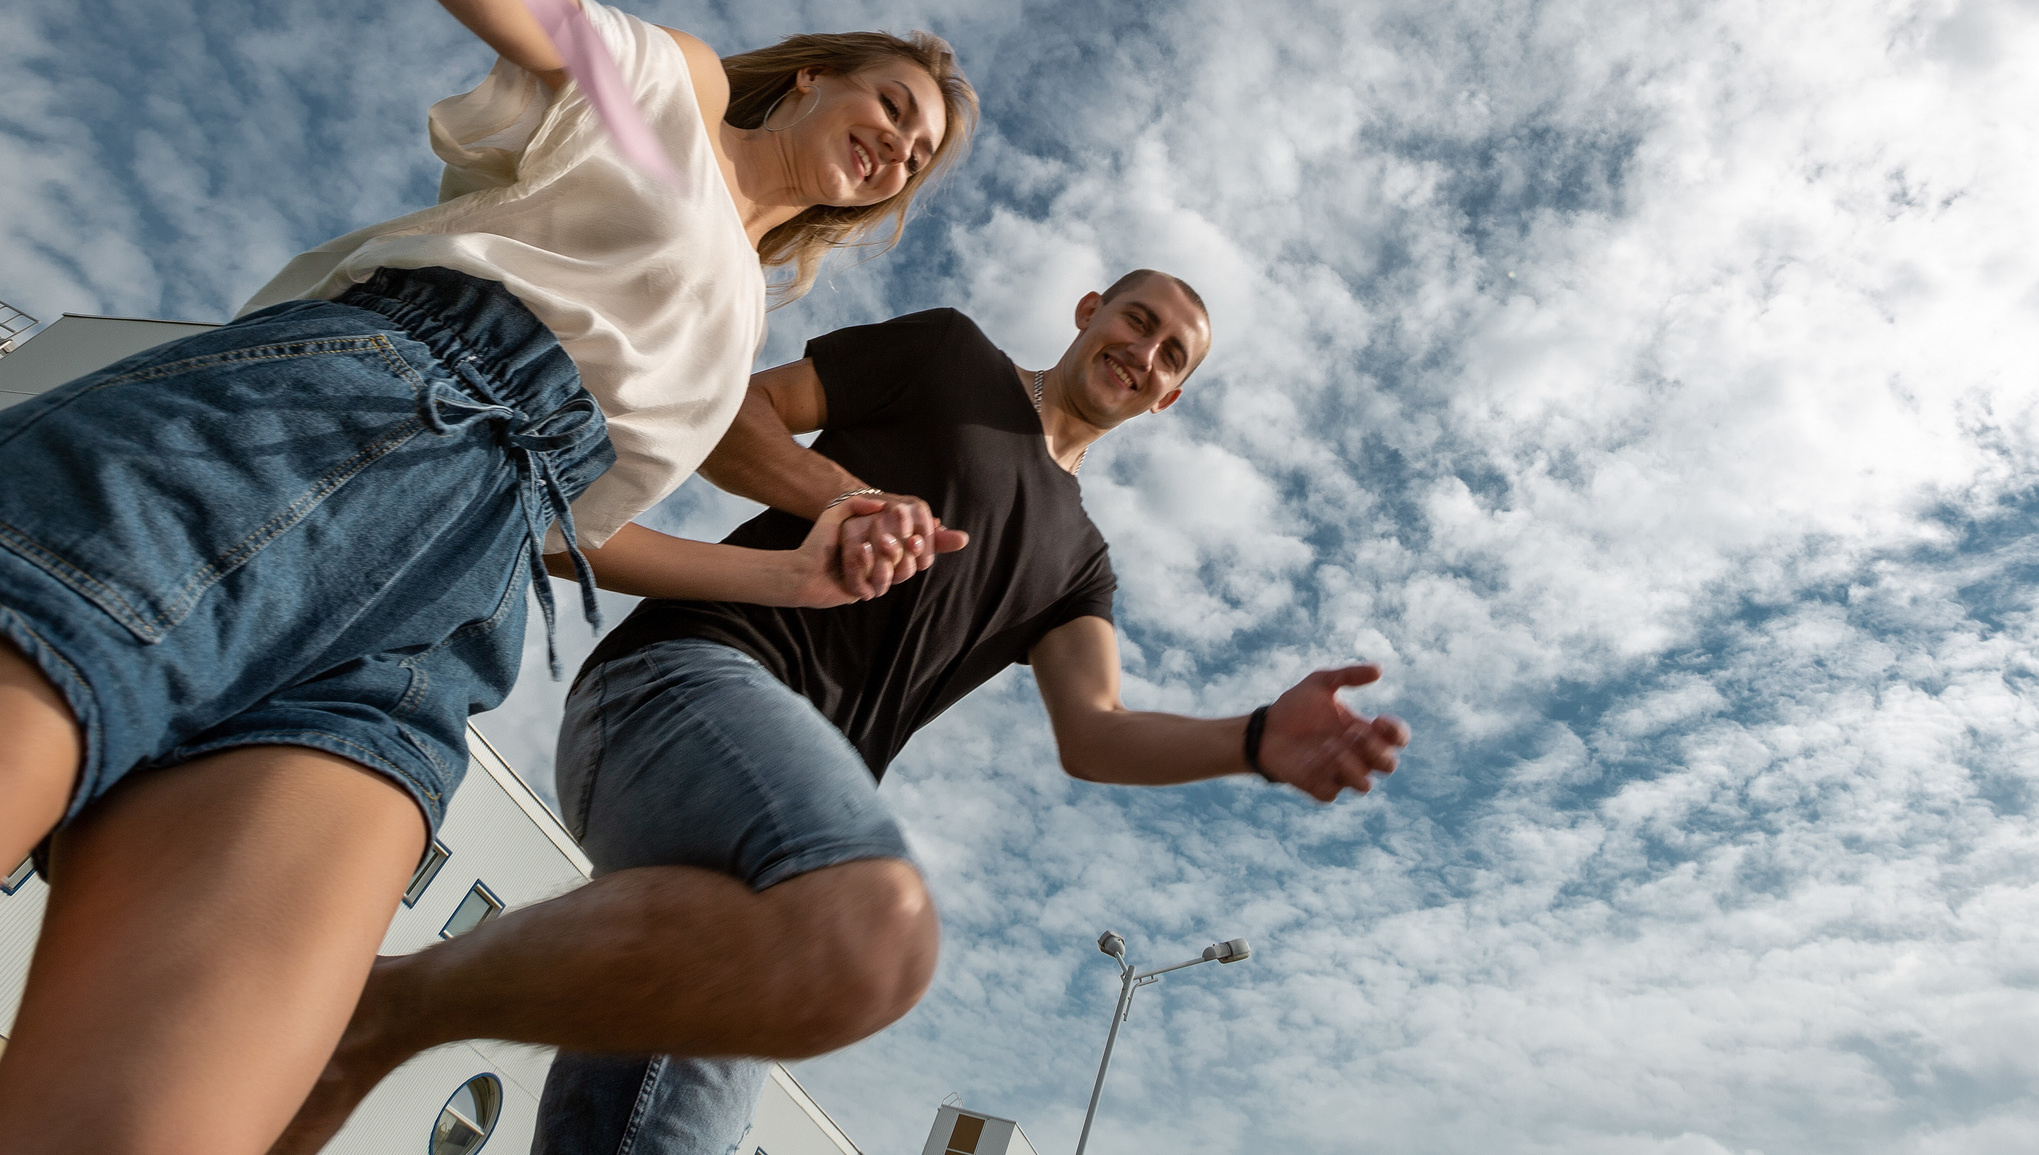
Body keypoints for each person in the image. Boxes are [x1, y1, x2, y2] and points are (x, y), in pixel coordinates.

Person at [0, 0, 975, 1155]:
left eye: (922, 154)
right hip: (328, 419)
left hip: (448, 606)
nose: (901, 146)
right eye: (897, 105)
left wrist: (790, 568)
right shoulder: (667, 87)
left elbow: (578, 528)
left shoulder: (733, 330)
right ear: (819, 78)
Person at [270, 269, 1413, 1155]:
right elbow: (735, 417)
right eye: (1137, 317)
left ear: (1170, 396)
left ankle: (347, 1038)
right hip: (686, 681)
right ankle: (393, 1005)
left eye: (1171, 354)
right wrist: (850, 495)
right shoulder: (948, 353)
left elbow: (1096, 730)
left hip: (789, 822)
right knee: (858, 917)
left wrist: (1255, 740)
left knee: (668, 1123)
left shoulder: (1082, 563)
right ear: (1088, 309)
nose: (1143, 349)